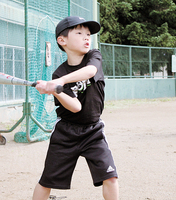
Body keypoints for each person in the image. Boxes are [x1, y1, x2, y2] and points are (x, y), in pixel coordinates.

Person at [32, 16, 119, 200]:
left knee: (110, 177)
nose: (86, 37)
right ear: (62, 40)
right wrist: (55, 90)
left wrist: (59, 83)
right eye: (79, 33)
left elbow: (90, 72)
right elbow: (75, 107)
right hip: (66, 133)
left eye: (88, 34)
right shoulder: (59, 72)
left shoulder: (93, 57)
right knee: (46, 181)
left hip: (93, 131)